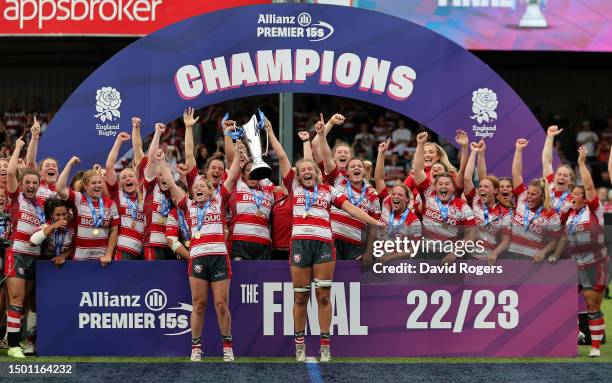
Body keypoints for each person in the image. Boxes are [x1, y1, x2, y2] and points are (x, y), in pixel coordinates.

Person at [268, 118, 381, 363]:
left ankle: (325, 345)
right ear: (298, 175)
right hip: (299, 245)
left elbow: (351, 209)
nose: (307, 171)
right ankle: (299, 343)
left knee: (324, 296)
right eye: (303, 170)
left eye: (311, 169)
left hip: (323, 246)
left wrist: (375, 223)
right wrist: (269, 131)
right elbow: (282, 157)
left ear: (318, 174)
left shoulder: (329, 191)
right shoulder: (294, 188)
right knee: (300, 296)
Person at [161, 138, 242, 362]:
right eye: (194, 186)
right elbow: (170, 181)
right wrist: (160, 162)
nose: (197, 187)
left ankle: (227, 346)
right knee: (198, 305)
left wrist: (239, 157)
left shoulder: (219, 201)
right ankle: (196, 348)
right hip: (196, 258)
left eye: (201, 186)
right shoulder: (187, 204)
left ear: (209, 190)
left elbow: (233, 173)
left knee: (221, 305)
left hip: (218, 258)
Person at [557, 147, 610, 357]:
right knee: (564, 302)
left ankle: (595, 347)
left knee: (591, 305)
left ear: (585, 198)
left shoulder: (594, 209)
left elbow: (588, 185)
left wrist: (580, 164)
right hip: (574, 264)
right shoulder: (568, 214)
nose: (573, 196)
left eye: (578, 194)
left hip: (594, 263)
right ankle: (575, 333)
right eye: (573, 194)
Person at [316, 115, 381, 261]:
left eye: (359, 166)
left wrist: (369, 252)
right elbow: (326, 157)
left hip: (357, 245)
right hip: (333, 238)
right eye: (352, 167)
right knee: (331, 279)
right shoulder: (339, 179)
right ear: (347, 171)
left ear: (364, 171)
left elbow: (373, 227)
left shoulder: (372, 194)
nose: (356, 168)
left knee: (353, 282)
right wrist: (321, 135)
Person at [4, 136, 44, 358]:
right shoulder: (15, 196)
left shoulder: (39, 205)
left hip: (34, 256)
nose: (30, 186)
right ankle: (12, 346)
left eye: (34, 183)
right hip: (17, 253)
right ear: (22, 184)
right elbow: (10, 173)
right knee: (17, 300)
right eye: (27, 182)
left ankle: (20, 341)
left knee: (27, 303)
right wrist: (19, 147)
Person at [413, 132, 475, 264]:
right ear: (434, 186)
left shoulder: (462, 205)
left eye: (447, 184)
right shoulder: (427, 194)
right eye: (440, 184)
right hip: (425, 253)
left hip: (450, 256)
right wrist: (420, 144)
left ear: (454, 187)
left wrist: (464, 147)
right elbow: (418, 169)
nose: (443, 186)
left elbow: (472, 233)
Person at [56, 156, 119, 265]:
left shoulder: (110, 203)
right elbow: (60, 188)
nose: (98, 186)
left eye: (100, 182)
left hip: (101, 261)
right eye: (94, 183)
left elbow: (114, 231)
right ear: (85, 186)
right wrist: (69, 165)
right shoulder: (78, 198)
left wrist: (108, 254)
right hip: (80, 260)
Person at [508, 139, 561, 261]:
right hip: (510, 255)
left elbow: (554, 241)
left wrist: (543, 253)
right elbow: (516, 173)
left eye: (533, 194)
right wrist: (518, 150)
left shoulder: (551, 215)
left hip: (531, 259)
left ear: (542, 196)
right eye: (528, 193)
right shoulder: (522, 197)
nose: (528, 196)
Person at [463, 141, 511, 264]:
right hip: (469, 259)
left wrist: (495, 253)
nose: (482, 189)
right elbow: (468, 178)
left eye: (486, 187)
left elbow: (506, 239)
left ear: (495, 190)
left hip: (489, 261)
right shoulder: (475, 200)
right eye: (481, 187)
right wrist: (476, 152)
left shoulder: (504, 213)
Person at [374, 140, 421, 264]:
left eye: (400, 195)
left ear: (407, 199)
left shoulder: (413, 220)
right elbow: (379, 178)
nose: (395, 197)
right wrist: (381, 153)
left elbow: (414, 248)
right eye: (393, 194)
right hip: (375, 259)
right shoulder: (386, 203)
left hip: (399, 265)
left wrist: (390, 257)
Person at [105, 132, 145, 260]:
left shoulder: (144, 196)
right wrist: (118, 141)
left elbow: (141, 157)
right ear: (119, 183)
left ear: (137, 180)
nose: (128, 179)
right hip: (122, 250)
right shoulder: (117, 195)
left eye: (131, 176)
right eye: (123, 177)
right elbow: (109, 166)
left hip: (141, 251)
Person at [142, 123, 175, 260]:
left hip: (172, 245)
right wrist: (158, 133)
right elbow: (151, 160)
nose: (163, 176)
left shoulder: (175, 192)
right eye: (160, 174)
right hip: (153, 244)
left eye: (166, 173)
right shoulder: (151, 187)